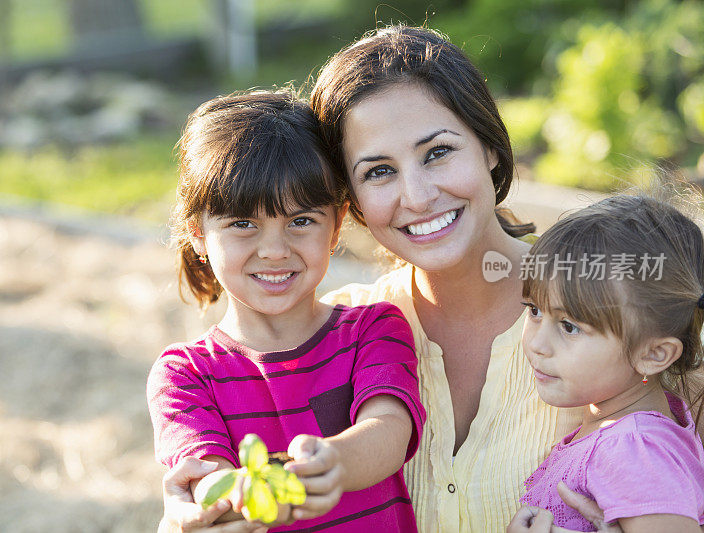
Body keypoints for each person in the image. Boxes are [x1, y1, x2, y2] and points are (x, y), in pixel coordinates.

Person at [159, 25, 616, 532]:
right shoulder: (342, 327)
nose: (417, 197)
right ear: (348, 201)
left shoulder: (615, 305)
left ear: (489, 146)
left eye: (438, 152)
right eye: (378, 171)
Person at [148, 88, 426, 532]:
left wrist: (331, 461)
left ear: (335, 226)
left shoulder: (374, 329)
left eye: (301, 221)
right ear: (198, 233)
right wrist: (237, 494)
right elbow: (205, 474)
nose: (274, 251)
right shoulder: (184, 374)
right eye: (243, 224)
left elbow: (388, 431)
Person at [507, 194, 704, 532]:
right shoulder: (622, 431)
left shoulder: (633, 449)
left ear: (653, 354)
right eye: (534, 310)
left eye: (569, 326)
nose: (537, 344)